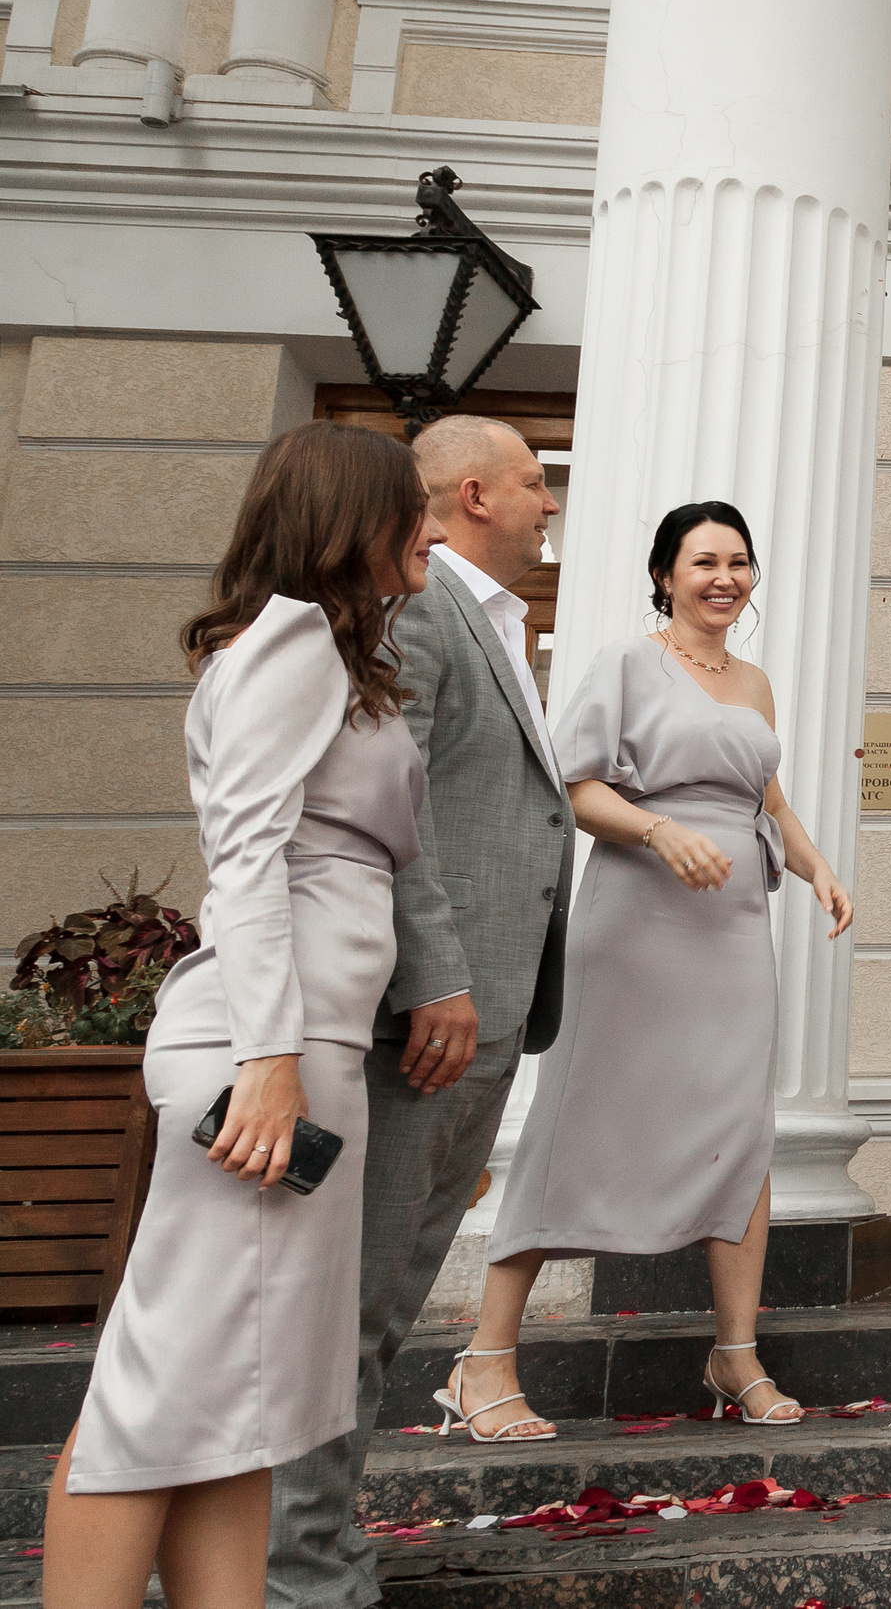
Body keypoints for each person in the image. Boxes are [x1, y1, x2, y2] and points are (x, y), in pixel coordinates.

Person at [44, 422, 434, 1609]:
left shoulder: (333, 651)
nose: (426, 527)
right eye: (409, 507)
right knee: (159, 1392)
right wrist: (268, 1063)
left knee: (252, 1402)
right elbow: (248, 859)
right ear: (355, 520)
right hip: (263, 1050)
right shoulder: (297, 635)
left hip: (306, 1048)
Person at [267, 417, 575, 1599]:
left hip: (485, 1009)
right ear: (471, 494)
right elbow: (399, 812)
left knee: (387, 1302)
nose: (550, 503)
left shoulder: (489, 618)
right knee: (350, 1302)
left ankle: (319, 1541)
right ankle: (296, 1565)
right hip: (429, 1017)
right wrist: (436, 971)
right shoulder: (418, 608)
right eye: (537, 482)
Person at [461, 501, 852, 1430]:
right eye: (705, 560)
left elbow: (768, 797)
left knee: (741, 1125)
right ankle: (483, 1360)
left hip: (732, 928)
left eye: (740, 563)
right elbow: (576, 783)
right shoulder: (626, 664)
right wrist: (659, 827)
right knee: (580, 1115)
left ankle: (734, 1355)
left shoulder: (754, 682)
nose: (726, 577)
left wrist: (819, 864)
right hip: (637, 918)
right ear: (665, 574)